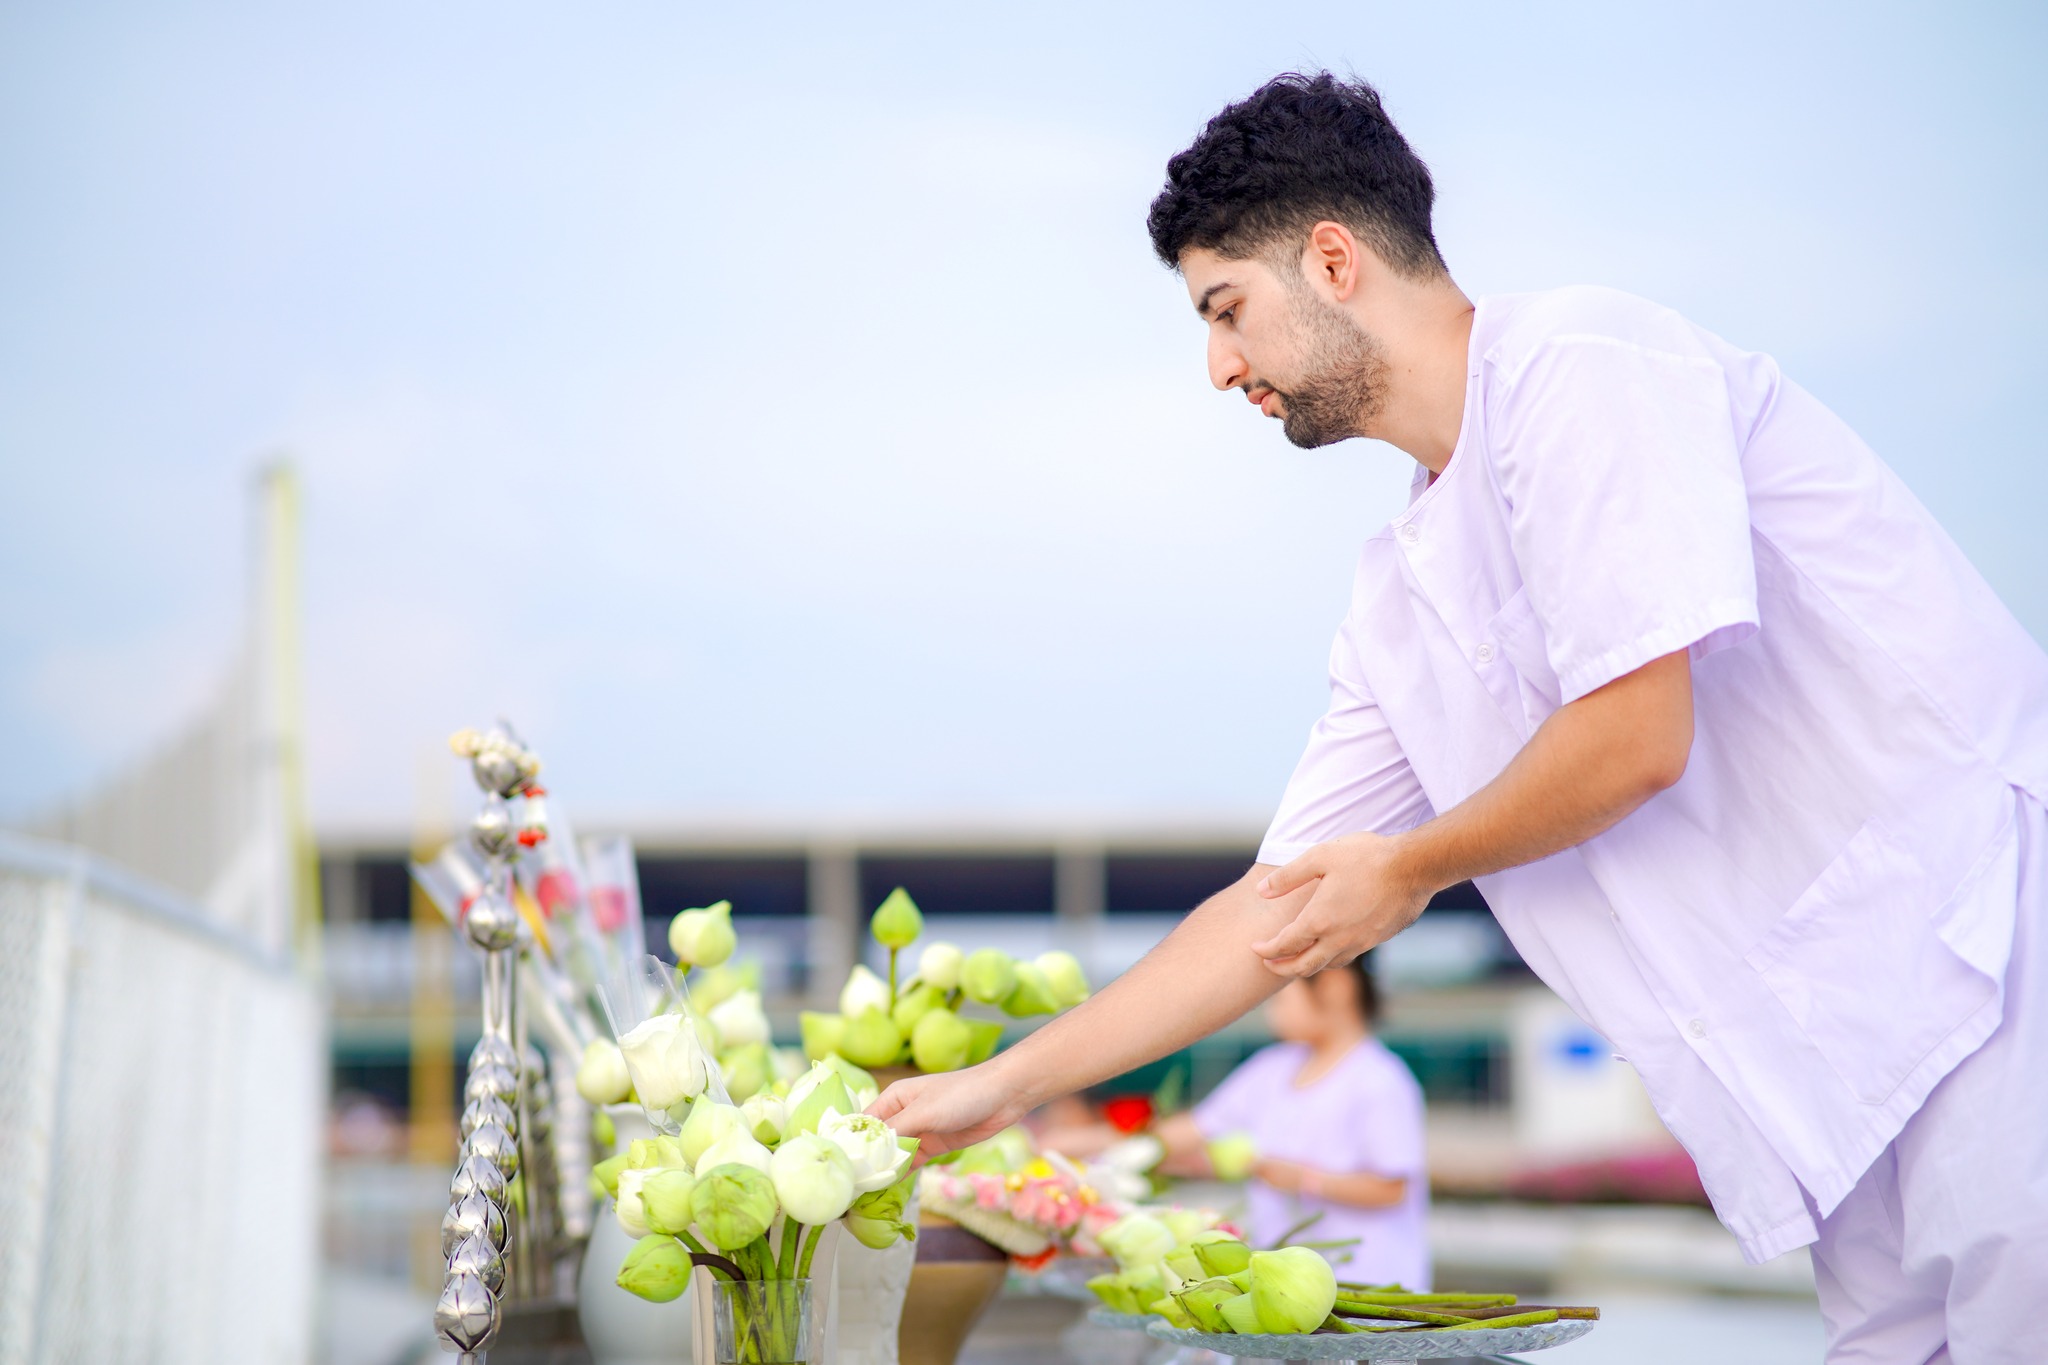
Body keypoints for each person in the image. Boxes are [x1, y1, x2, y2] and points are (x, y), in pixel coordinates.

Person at [871, 73, 2048, 1362]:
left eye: (1226, 310)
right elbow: (1274, 912)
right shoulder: (1399, 599)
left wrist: (1412, 868)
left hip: (1982, 958)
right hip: (1836, 1076)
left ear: (1333, 260)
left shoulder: (1579, 365)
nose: (1219, 368)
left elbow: (1636, 736)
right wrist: (999, 1087)